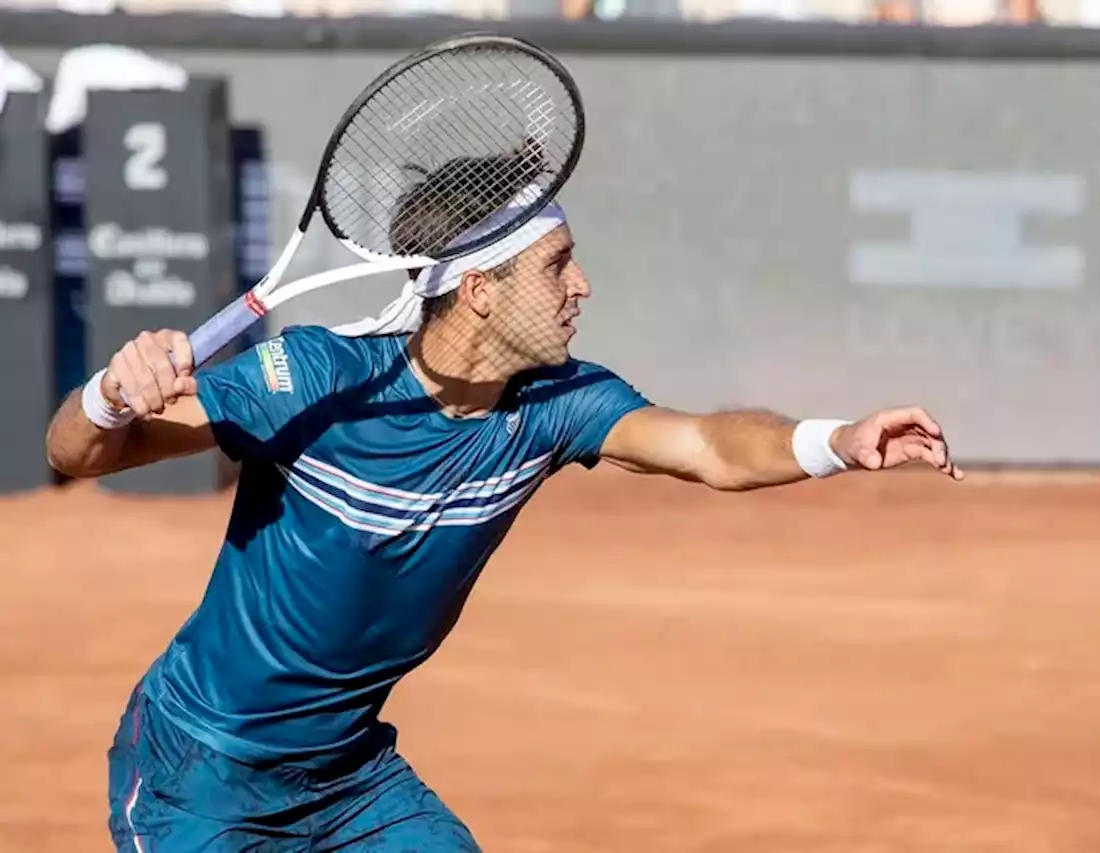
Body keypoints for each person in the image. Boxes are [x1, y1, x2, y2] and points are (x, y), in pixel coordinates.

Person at [44, 152, 964, 852]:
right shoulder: (318, 378)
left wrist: (833, 440)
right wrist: (106, 396)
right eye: (556, 264)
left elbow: (709, 447)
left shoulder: (554, 405)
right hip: (200, 773)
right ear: (479, 290)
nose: (582, 285)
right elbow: (79, 453)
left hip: (350, 775)